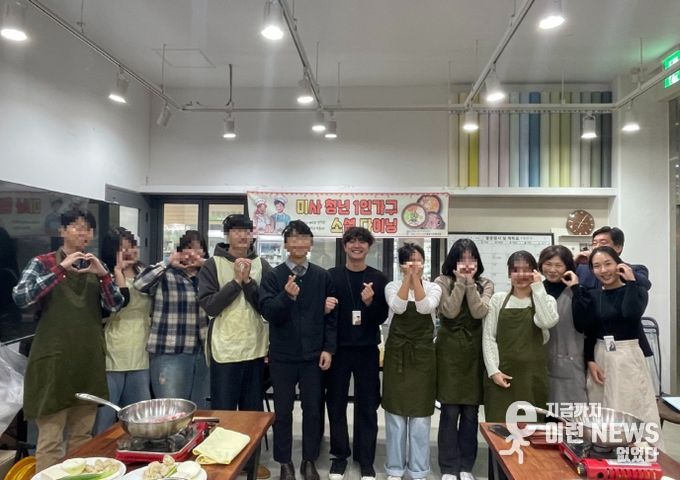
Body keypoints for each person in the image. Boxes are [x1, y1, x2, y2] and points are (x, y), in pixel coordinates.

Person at [12, 209, 124, 472]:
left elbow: (115, 305)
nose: (82, 232)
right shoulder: (43, 262)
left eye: (87, 228)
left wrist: (103, 275)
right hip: (53, 363)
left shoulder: (95, 265)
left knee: (82, 438)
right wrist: (60, 270)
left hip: (87, 363)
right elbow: (21, 297)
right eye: (75, 226)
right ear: (62, 231)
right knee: (50, 440)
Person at [259, 220, 337, 480]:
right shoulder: (274, 276)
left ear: (311, 243)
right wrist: (287, 296)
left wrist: (328, 349)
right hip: (282, 356)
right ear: (285, 244)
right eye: (293, 238)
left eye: (304, 238)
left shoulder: (322, 276)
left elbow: (331, 318)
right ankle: (284, 463)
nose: (299, 243)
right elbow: (268, 312)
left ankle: (308, 460)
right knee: (283, 411)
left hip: (313, 356)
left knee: (313, 410)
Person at [198, 214, 271, 480]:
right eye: (237, 230)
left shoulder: (261, 264)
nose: (242, 235)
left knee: (252, 412)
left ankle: (251, 463)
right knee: (224, 411)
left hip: (254, 348)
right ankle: (221, 462)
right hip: (224, 349)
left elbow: (266, 306)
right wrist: (236, 282)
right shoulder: (212, 265)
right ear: (227, 234)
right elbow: (210, 306)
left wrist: (249, 281)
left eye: (247, 231)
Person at [568, 246, 663, 447]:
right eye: (596, 266)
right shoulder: (593, 295)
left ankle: (636, 453)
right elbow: (587, 329)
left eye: (608, 264)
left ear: (619, 264)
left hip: (627, 355)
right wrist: (590, 360)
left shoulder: (637, 290)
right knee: (601, 408)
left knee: (630, 406)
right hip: (600, 355)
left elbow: (630, 314)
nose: (603, 270)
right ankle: (602, 453)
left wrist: (631, 281)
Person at [325, 227, 388, 480]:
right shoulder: (331, 276)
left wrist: (371, 303)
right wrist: (324, 308)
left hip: (367, 350)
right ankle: (339, 456)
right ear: (344, 246)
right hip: (338, 351)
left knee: (368, 406)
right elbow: (325, 318)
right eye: (351, 241)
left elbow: (381, 317)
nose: (357, 245)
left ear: (369, 247)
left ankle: (366, 459)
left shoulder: (378, 278)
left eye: (362, 241)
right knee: (336, 404)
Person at [434, 239, 493, 480]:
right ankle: (448, 467)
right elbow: (449, 311)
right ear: (453, 261)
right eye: (462, 258)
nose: (467, 263)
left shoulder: (486, 283)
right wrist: (460, 282)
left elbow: (479, 311)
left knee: (470, 412)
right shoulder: (441, 281)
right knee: (449, 411)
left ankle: (466, 466)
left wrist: (469, 284)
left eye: (472, 258)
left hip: (474, 351)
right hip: (448, 350)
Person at [382, 243, 442, 480]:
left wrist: (416, 280)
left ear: (424, 262)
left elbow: (424, 307)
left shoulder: (434, 287)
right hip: (397, 354)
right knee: (395, 415)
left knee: (420, 417)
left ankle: (418, 470)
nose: (414, 264)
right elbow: (397, 307)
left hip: (423, 355)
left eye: (417, 260)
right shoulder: (392, 286)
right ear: (401, 265)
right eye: (409, 261)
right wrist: (408, 279)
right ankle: (395, 468)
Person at [134, 230, 210, 408]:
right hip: (170, 351)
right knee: (172, 409)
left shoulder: (207, 276)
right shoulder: (166, 274)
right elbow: (140, 283)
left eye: (198, 249)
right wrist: (167, 262)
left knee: (202, 409)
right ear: (179, 252)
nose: (193, 253)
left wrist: (207, 265)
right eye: (188, 248)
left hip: (202, 351)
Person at [482, 250, 558, 424]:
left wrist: (538, 288)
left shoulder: (547, 300)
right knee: (500, 429)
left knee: (532, 430)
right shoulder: (498, 300)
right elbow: (489, 337)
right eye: (516, 270)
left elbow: (546, 322)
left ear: (535, 272)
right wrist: (494, 371)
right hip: (503, 375)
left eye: (527, 270)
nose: (521, 274)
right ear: (509, 273)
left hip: (533, 377)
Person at [94, 227, 152, 434]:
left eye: (132, 246)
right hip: (114, 349)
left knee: (141, 416)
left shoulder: (146, 273)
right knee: (106, 415)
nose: (129, 252)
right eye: (122, 248)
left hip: (142, 348)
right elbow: (116, 305)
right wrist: (118, 273)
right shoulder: (104, 275)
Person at [574, 226, 653, 358]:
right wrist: (573, 262)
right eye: (594, 243)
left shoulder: (634, 269)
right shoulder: (583, 269)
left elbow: (646, 284)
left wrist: (618, 265)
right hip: (593, 342)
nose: (597, 247)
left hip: (627, 343)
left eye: (603, 243)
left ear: (618, 248)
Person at [538, 245, 587, 405]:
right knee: (541, 413)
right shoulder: (536, 291)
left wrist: (576, 288)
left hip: (570, 363)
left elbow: (584, 323)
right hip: (540, 364)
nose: (552, 270)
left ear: (568, 267)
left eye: (558, 265)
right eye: (548, 264)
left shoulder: (578, 292)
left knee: (569, 415)